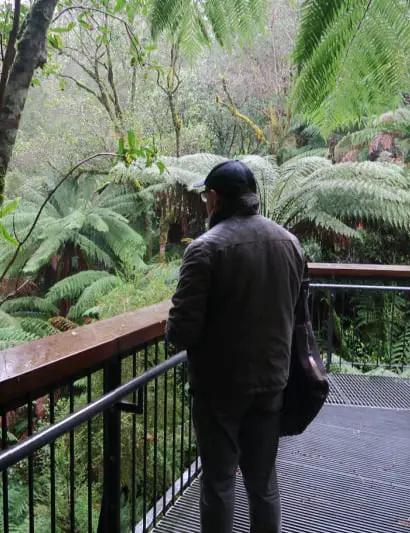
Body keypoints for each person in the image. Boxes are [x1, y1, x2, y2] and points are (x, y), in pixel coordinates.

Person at [166, 160, 305, 533]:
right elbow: (299, 315)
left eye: (205, 197)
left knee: (218, 483)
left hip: (218, 389)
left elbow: (181, 331)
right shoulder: (290, 243)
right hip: (273, 381)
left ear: (214, 198)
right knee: (263, 482)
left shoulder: (204, 250)